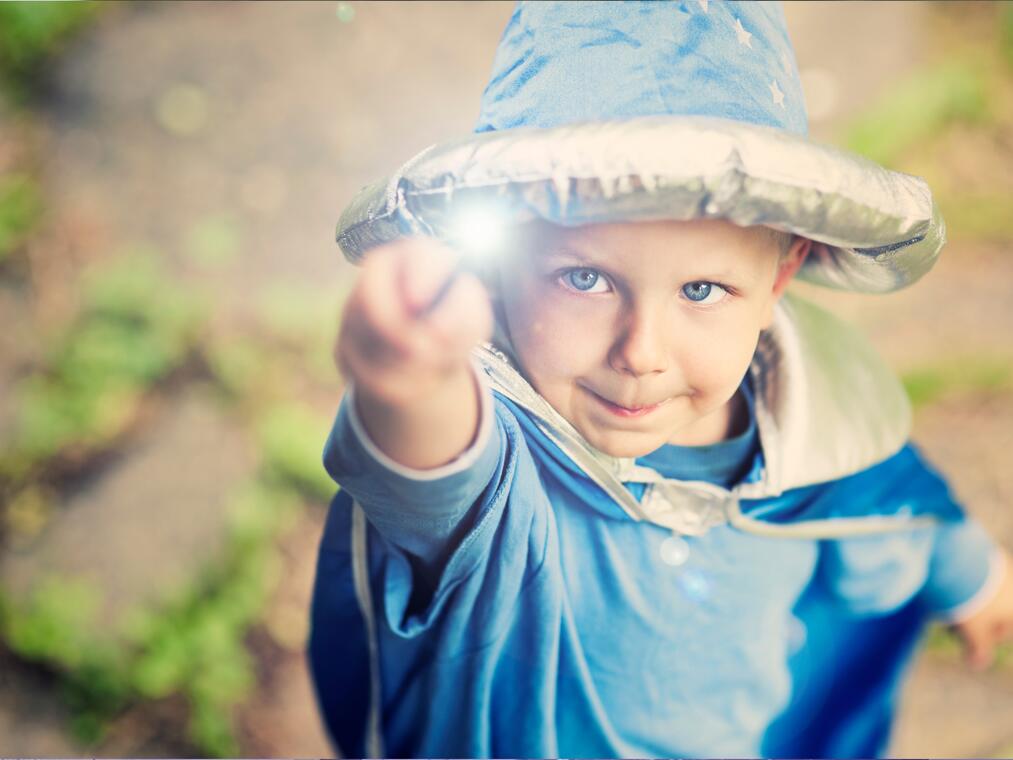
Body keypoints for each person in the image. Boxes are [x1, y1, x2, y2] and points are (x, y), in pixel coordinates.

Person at [309, 2, 1013, 757]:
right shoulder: (499, 474)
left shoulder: (815, 435)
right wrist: (409, 372)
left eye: (701, 290)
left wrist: (971, 578)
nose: (641, 351)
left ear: (783, 270)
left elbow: (883, 506)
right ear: (500, 260)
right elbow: (432, 460)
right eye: (584, 278)